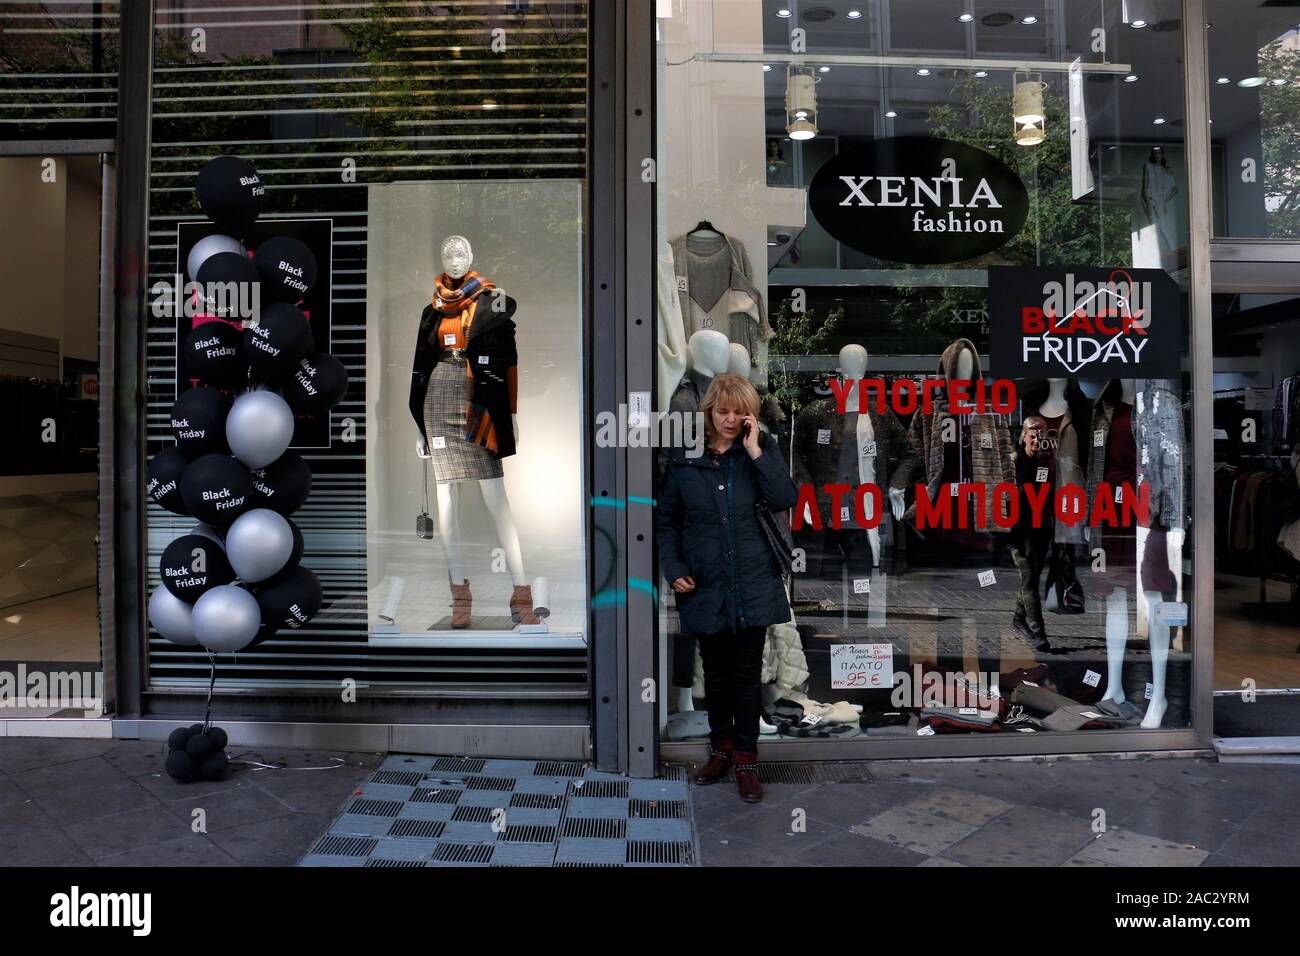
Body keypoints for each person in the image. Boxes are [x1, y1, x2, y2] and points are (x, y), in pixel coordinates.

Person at [657, 373, 799, 803]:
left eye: (741, 413)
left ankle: (746, 761)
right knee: (715, 676)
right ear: (709, 412)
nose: (732, 420)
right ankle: (719, 751)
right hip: (704, 582)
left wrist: (757, 451)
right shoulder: (685, 459)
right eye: (724, 411)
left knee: (745, 675)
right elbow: (668, 520)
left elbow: (784, 497)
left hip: (752, 580)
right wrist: (674, 566)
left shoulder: (761, 451)